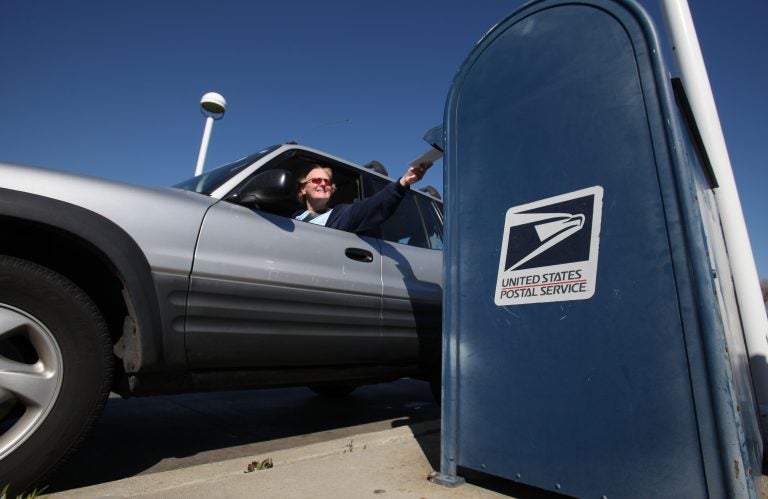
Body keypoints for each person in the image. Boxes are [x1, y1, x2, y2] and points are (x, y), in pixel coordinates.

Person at [293, 161, 432, 236]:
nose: (323, 184)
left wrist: (403, 182)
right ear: (303, 189)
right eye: (317, 180)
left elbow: (373, 205)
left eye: (327, 181)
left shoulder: (341, 215)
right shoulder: (293, 218)